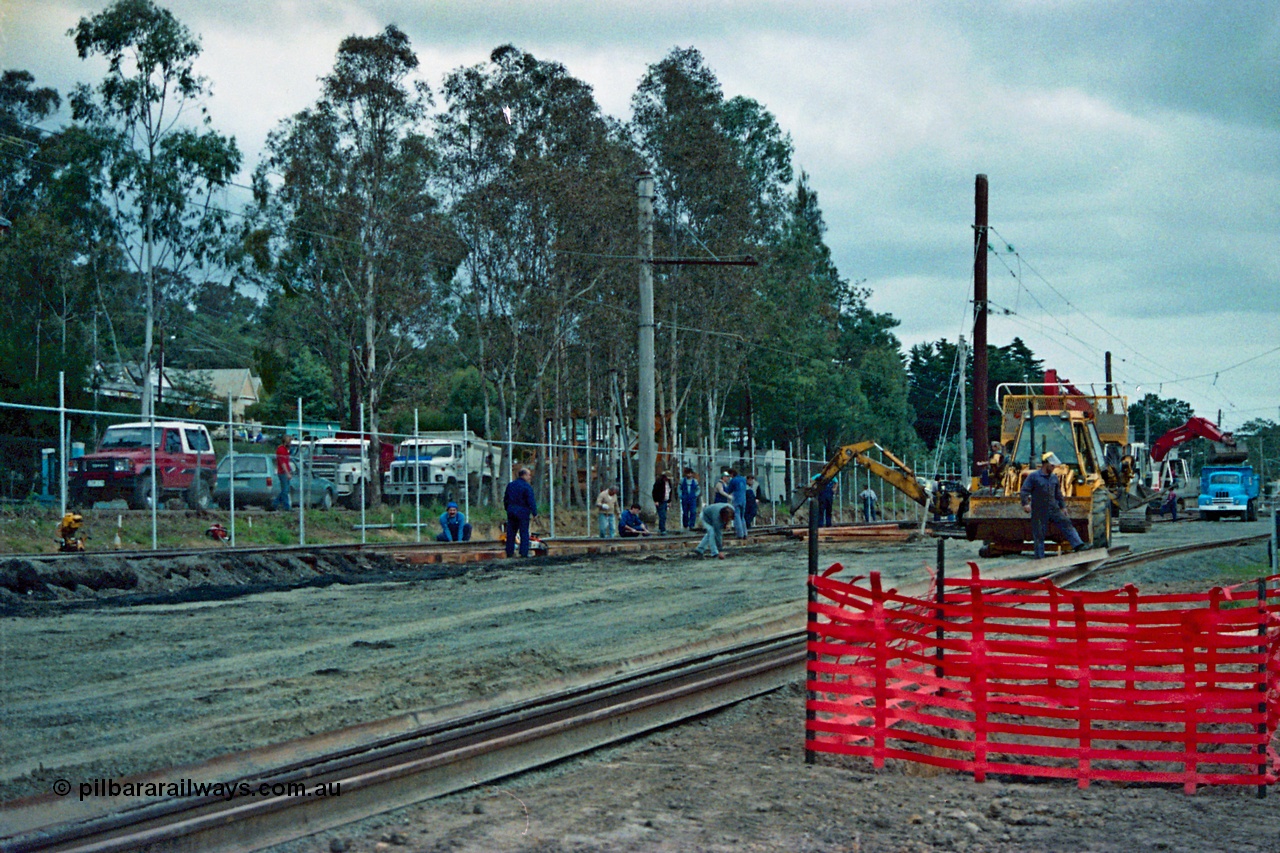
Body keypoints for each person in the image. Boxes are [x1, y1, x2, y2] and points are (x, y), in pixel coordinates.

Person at [1020, 452, 1089, 559]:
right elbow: (1024, 491)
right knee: (1039, 535)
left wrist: (1063, 507)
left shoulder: (1054, 478)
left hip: (1053, 508)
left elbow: (1058, 494)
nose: (1053, 468)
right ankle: (1040, 559)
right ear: (1045, 464)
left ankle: (1078, 545)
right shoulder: (1033, 477)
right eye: (1052, 465)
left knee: (1066, 524)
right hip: (1039, 510)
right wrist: (1025, 504)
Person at [503, 467, 538, 557]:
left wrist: (508, 509)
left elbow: (505, 499)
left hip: (511, 511)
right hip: (523, 512)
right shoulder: (527, 487)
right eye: (529, 475)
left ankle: (509, 552)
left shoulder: (511, 485)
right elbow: (531, 500)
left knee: (511, 533)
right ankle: (523, 552)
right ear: (524, 475)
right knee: (524, 532)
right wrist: (534, 513)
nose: (530, 477)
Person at [274, 437, 294, 511]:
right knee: (285, 490)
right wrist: (287, 473)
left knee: (286, 490)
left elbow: (286, 462)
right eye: (289, 442)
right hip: (283, 473)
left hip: (285, 472)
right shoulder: (281, 450)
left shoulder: (285, 450)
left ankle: (275, 504)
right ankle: (286, 507)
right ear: (286, 442)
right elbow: (283, 463)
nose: (291, 443)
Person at [728, 468, 748, 538]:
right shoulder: (743, 479)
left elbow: (729, 490)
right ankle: (745, 533)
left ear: (732, 474)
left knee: (737, 516)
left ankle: (740, 534)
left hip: (736, 499)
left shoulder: (733, 480)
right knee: (742, 517)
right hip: (744, 499)